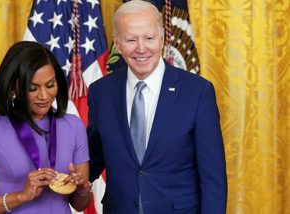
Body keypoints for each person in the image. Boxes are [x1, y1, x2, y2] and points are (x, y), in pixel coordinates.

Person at [87, 1, 227, 213]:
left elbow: (213, 178)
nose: (141, 48)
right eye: (131, 39)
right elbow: (94, 159)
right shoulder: (100, 92)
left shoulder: (197, 92)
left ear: (162, 38)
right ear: (117, 42)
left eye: (149, 38)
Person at [0, 41, 92, 214]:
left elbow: (79, 204)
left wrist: (82, 190)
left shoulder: (73, 126)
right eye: (32, 88)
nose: (44, 96)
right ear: (14, 86)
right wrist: (21, 196)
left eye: (50, 85)